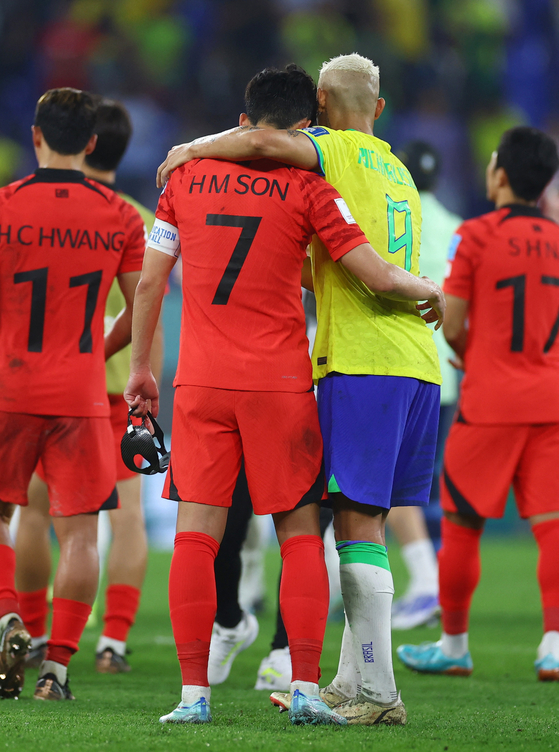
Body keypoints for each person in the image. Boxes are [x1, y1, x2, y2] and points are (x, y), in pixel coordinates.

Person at [127, 63, 444, 726]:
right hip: (281, 381)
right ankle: (303, 683)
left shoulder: (182, 179)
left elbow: (151, 285)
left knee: (196, 538)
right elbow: (364, 268)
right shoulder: (312, 188)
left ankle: (193, 697)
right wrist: (426, 290)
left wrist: (140, 372)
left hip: (202, 382)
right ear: (308, 121)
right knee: (301, 534)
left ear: (243, 121)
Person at [397, 126, 559, 681]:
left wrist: (470, 353)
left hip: (489, 401)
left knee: (462, 523)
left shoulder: (475, 235)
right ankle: (555, 644)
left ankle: (454, 644)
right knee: (552, 526)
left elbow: (457, 324)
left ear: (502, 175)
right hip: (551, 402)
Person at [0, 88, 145, 701]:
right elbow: (141, 308)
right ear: (91, 144)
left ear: (35, 136)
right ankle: (57, 668)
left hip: (9, 384)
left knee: (7, 517)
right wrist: (104, 355)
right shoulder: (122, 215)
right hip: (82, 393)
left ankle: (10, 614)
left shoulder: (3, 205)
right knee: (83, 534)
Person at [388, 141, 463, 631]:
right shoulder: (458, 226)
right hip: (450, 376)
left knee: (393, 489)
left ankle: (424, 585)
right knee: (429, 487)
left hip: (406, 364)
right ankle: (436, 584)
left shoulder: (396, 216)